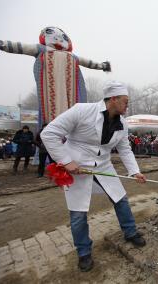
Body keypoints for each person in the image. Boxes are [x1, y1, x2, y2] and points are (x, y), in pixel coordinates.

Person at [41, 81, 147, 272]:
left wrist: (135, 171)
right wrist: (66, 161)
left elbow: (124, 149)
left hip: (104, 165)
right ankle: (84, 252)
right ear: (113, 99)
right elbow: (49, 134)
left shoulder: (122, 123)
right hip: (77, 166)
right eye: (125, 101)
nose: (127, 105)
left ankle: (130, 232)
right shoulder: (82, 110)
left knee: (121, 199)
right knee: (79, 213)